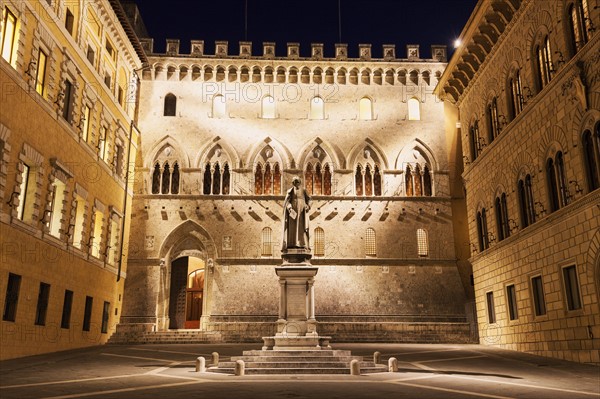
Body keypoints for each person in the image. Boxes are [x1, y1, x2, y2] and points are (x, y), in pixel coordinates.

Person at [282, 176, 311, 251]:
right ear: (293, 183)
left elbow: (310, 200)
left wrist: (308, 206)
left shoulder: (304, 190)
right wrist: (289, 208)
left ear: (300, 182)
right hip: (293, 213)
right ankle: (292, 244)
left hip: (302, 212)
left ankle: (302, 244)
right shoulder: (290, 191)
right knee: (292, 228)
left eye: (297, 182)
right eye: (294, 182)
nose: (296, 184)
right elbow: (287, 201)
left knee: (301, 227)